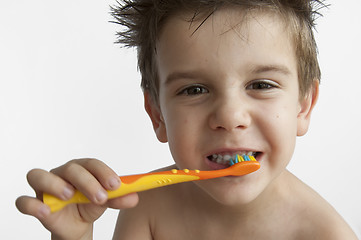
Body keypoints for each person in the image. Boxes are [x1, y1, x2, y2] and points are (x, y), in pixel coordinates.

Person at [16, 0, 358, 239]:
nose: (229, 116)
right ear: (157, 115)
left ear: (303, 107)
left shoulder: (325, 234)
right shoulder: (146, 208)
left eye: (261, 85)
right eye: (194, 90)